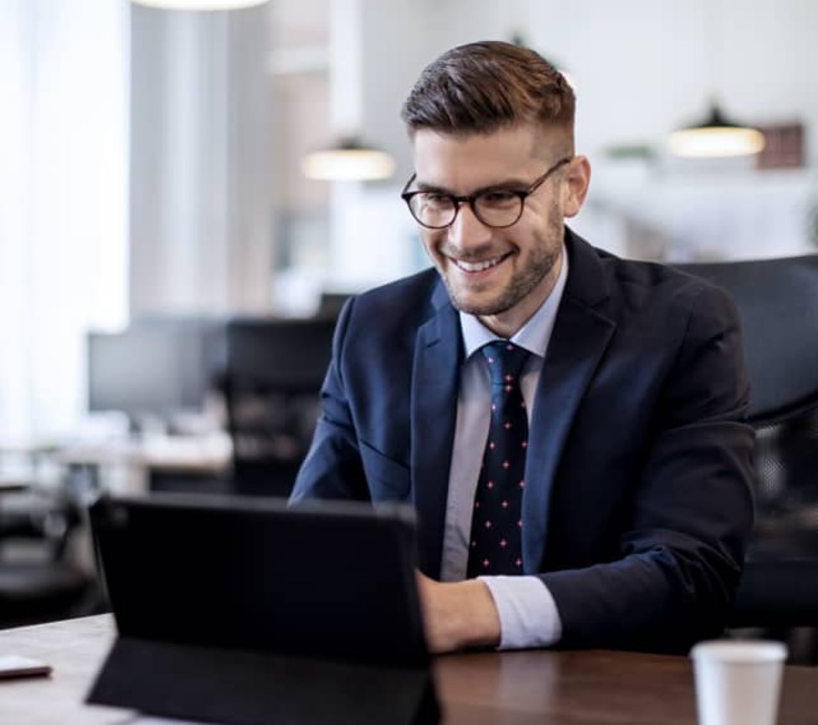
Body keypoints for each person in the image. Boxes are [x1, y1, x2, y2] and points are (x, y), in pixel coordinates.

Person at [290, 40, 755, 654]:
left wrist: (469, 610)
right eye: (437, 199)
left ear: (572, 188)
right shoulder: (374, 330)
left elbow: (690, 574)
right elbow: (307, 548)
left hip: (601, 693)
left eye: (500, 197)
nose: (465, 236)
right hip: (410, 694)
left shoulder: (681, 327)